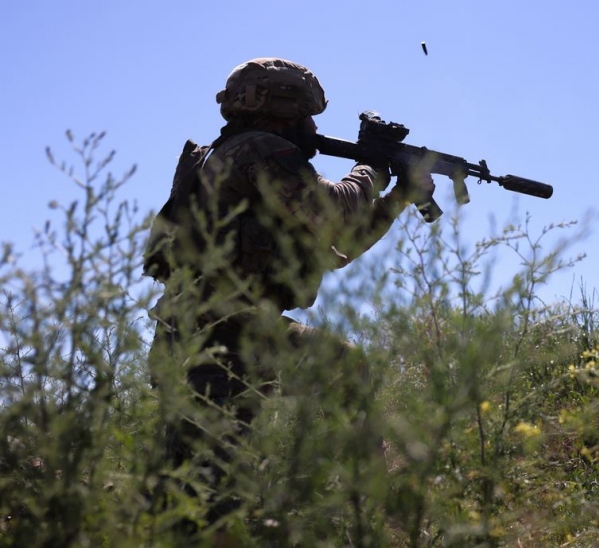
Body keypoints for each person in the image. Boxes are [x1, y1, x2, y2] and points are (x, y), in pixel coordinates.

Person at [144, 57, 434, 534]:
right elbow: (334, 209)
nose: (313, 128)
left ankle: (365, 516)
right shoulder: (260, 147)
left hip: (219, 331)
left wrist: (398, 197)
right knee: (202, 508)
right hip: (218, 337)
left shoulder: (233, 156)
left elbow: (335, 244)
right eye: (306, 115)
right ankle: (370, 516)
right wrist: (371, 165)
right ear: (282, 109)